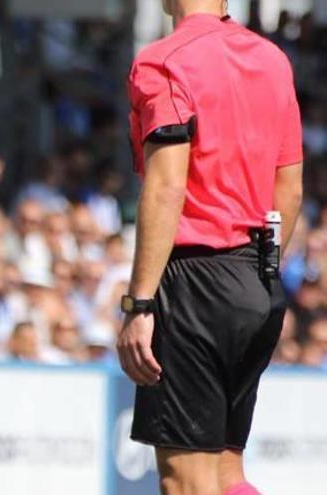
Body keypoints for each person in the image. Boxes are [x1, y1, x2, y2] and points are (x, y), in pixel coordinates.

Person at [118, 2, 304, 495]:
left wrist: (139, 303)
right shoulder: (271, 60)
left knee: (186, 483)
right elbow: (289, 188)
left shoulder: (164, 60)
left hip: (195, 282)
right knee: (225, 474)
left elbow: (165, 186)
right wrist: (256, 273)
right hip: (256, 280)